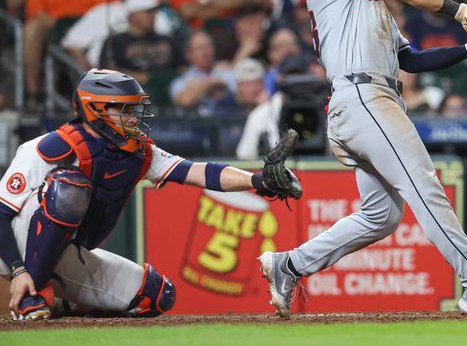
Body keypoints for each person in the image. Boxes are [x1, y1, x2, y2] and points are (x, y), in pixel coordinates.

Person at [258, 0, 467, 318]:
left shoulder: (369, 7)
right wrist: (462, 10)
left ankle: (290, 265)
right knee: (425, 185)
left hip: (370, 99)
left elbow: (410, 60)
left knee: (381, 216)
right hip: (362, 96)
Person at [0, 69, 301, 319]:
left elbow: (198, 172)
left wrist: (259, 180)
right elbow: (1, 214)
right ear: (96, 109)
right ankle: (31, 296)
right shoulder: (49, 148)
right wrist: (19, 270)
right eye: (124, 109)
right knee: (68, 188)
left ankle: (62, 305)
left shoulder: (138, 152)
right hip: (17, 248)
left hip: (65, 253)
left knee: (156, 295)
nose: (133, 118)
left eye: (134, 109)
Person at [23, 0, 105, 107]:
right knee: (31, 29)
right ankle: (33, 95)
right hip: (54, 28)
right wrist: (62, 28)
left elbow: (100, 12)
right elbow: (36, 12)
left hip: (87, 30)